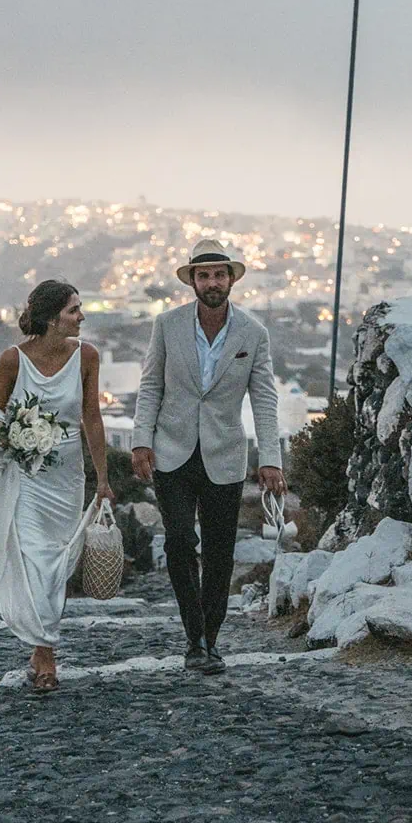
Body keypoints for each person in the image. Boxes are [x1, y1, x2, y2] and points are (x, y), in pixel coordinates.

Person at [132, 240, 286, 674]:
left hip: (225, 454)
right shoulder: (167, 325)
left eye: (220, 274)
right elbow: (150, 387)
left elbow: (265, 400)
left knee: (220, 552)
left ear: (232, 278)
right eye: (204, 275)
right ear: (193, 282)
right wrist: (141, 440)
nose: (212, 282)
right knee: (180, 541)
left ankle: (208, 641)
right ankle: (192, 634)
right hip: (172, 452)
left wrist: (270, 458)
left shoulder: (253, 333)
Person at [0, 279, 114, 691]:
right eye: (74, 310)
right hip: (25, 476)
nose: (82, 316)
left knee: (57, 561)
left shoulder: (87, 356)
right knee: (34, 556)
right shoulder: (12, 360)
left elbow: (92, 416)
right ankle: (47, 655)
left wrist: (102, 478)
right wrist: (11, 434)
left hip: (66, 476)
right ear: (53, 319)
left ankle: (40, 647)